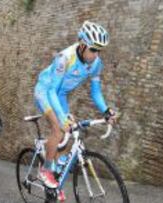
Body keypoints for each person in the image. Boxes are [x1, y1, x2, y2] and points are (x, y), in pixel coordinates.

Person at [33, 21, 117, 199]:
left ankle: (57, 172)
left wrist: (106, 110)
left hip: (60, 95)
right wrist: (61, 118)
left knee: (70, 131)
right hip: (46, 91)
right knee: (58, 127)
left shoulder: (96, 64)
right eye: (93, 50)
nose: (96, 55)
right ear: (82, 44)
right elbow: (51, 91)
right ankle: (46, 169)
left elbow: (96, 92)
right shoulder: (65, 58)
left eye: (99, 51)